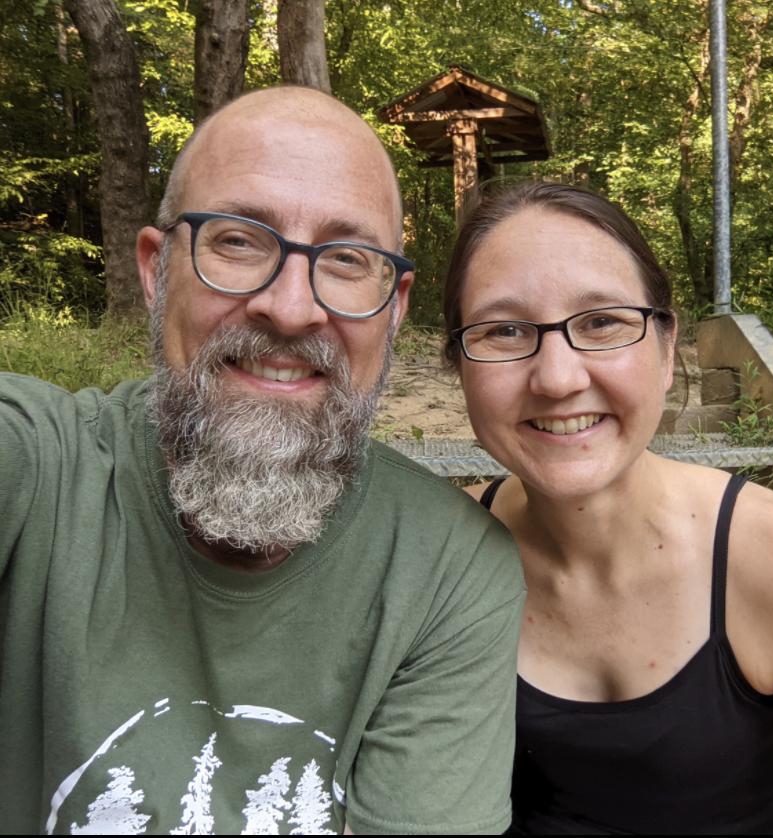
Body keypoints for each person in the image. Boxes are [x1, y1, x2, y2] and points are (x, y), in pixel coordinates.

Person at [0, 88, 524, 835]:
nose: (290, 306)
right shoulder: (35, 471)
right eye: (240, 241)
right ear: (155, 271)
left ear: (394, 307)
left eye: (346, 259)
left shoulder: (447, 570)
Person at [442, 182, 773, 834]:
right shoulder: (438, 560)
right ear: (459, 367)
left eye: (601, 322)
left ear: (667, 349)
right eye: (504, 330)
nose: (558, 378)